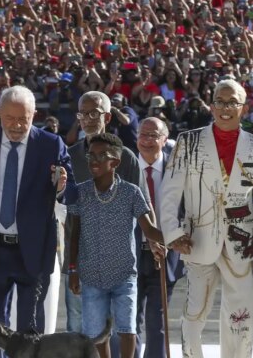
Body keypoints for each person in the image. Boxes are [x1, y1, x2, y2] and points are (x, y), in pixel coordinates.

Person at [161, 79, 253, 358]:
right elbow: (170, 193)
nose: (225, 108)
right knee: (194, 313)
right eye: (219, 101)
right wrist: (171, 233)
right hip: (196, 239)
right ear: (211, 104)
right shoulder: (187, 142)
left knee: (240, 316)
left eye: (232, 103)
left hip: (243, 242)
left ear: (245, 107)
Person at [0, 85, 77, 357]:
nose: (17, 125)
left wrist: (62, 185)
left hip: (33, 249)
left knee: (30, 330)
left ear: (34, 115)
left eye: (23, 119)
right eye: (10, 119)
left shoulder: (51, 144)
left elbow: (71, 190)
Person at [67, 133, 164, 358]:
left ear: (115, 163)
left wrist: (173, 239)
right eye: (91, 155)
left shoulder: (131, 192)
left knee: (127, 329)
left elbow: (148, 229)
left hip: (124, 275)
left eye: (102, 156)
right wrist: (73, 270)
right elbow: (74, 234)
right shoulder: (80, 192)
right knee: (97, 334)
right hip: (91, 275)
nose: (95, 160)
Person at [64, 91, 146, 336]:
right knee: (79, 324)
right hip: (80, 257)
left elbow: (143, 210)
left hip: (119, 261)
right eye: (82, 114)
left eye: (94, 113)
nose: (88, 119)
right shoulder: (69, 157)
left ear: (108, 117)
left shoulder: (127, 158)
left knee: (118, 326)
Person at [135, 117, 185, 358]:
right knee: (128, 324)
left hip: (165, 257)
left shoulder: (178, 170)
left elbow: (187, 210)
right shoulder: (124, 168)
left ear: (165, 139)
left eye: (153, 135)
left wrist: (172, 239)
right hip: (130, 256)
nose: (147, 140)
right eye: (142, 135)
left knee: (158, 323)